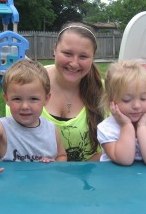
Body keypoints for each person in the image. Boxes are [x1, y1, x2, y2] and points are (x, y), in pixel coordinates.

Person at [6, 22, 105, 161]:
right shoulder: (26, 85)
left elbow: (111, 146)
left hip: (89, 175)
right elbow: (13, 143)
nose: (74, 63)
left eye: (83, 56)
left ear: (93, 57)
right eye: (67, 53)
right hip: (40, 176)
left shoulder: (105, 93)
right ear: (54, 49)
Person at [0, 59, 67, 189]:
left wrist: (56, 164)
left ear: (46, 99)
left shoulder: (52, 129)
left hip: (43, 188)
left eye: (33, 99)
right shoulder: (1, 127)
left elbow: (62, 155)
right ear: (6, 99)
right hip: (10, 188)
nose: (25, 106)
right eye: (17, 99)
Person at [97, 60, 146, 167]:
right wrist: (126, 126)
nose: (137, 106)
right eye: (126, 99)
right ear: (111, 101)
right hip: (115, 179)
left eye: (143, 98)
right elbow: (125, 160)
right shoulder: (106, 128)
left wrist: (143, 127)